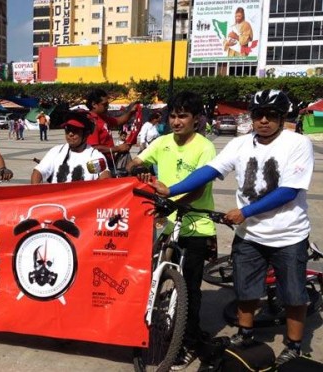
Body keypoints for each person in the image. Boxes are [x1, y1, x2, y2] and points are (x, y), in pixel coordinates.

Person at [144, 90, 314, 366]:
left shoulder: (297, 143)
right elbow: (210, 170)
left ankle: (294, 345)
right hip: (249, 235)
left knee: (293, 294)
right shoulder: (241, 144)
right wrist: (171, 189)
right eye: (258, 114)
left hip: (288, 234)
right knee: (246, 290)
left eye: (272, 115)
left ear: (283, 118)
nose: (264, 121)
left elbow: (289, 191)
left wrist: (245, 212)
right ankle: (244, 334)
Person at [127, 91, 217, 370]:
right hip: (166, 223)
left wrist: (171, 203)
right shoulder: (162, 142)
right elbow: (135, 162)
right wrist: (138, 169)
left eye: (183, 116)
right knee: (155, 275)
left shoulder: (205, 147)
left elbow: (200, 187)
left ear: (196, 120)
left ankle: (188, 342)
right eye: (173, 116)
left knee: (189, 288)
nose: (177, 121)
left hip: (196, 225)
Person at [32, 111, 110, 184]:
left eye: (75, 130)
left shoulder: (95, 156)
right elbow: (38, 172)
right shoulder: (56, 151)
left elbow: (105, 177)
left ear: (86, 134)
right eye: (67, 130)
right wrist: (36, 190)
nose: (70, 134)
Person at [85, 89, 137, 172]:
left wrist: (131, 112)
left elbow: (119, 121)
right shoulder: (91, 121)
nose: (107, 107)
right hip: (98, 165)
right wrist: (117, 149)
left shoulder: (102, 118)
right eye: (105, 104)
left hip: (108, 161)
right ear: (94, 104)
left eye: (107, 104)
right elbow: (93, 147)